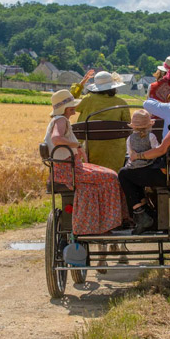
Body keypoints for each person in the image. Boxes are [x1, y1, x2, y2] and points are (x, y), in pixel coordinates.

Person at [119, 81, 170, 234]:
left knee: (125, 174)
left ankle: (141, 214)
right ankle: (149, 214)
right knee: (139, 173)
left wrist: (138, 155)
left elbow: (161, 150)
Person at [44, 90, 126, 237]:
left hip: (67, 167)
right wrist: (77, 145)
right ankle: (108, 223)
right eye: (72, 106)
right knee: (112, 177)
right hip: (69, 171)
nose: (75, 109)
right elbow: (56, 138)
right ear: (65, 108)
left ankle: (101, 222)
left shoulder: (58, 120)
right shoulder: (61, 120)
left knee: (106, 173)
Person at [69, 70, 131, 172]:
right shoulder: (121, 103)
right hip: (115, 155)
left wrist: (81, 84)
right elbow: (128, 128)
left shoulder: (87, 100)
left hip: (90, 152)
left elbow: (69, 101)